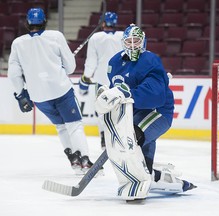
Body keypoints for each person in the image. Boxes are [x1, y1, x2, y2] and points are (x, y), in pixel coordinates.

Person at [94, 24, 196, 201]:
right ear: (123, 42)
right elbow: (116, 89)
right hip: (134, 112)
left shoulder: (151, 60)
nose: (133, 45)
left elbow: (155, 94)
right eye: (129, 41)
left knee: (132, 138)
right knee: (126, 142)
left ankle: (142, 179)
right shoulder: (114, 62)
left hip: (158, 110)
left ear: (143, 42)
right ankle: (154, 177)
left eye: (136, 41)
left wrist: (128, 94)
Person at [7, 8, 93, 175]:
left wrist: (20, 94)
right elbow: (71, 67)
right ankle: (84, 160)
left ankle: (74, 160)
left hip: (38, 96)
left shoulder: (18, 43)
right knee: (74, 126)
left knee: (61, 127)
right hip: (61, 90)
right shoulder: (56, 36)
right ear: (44, 21)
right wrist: (60, 66)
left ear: (27, 23)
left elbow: (14, 73)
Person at [79, 12, 123, 150]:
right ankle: (120, 136)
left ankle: (104, 137)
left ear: (103, 23)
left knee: (102, 109)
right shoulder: (122, 36)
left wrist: (86, 77)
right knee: (120, 108)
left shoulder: (96, 38)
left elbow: (91, 61)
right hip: (119, 79)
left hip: (101, 80)